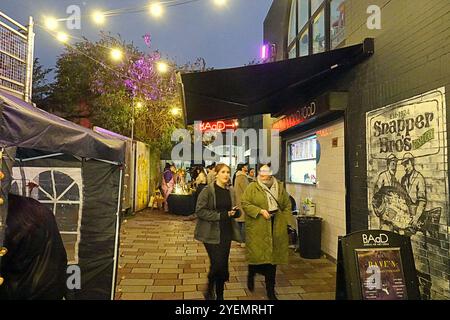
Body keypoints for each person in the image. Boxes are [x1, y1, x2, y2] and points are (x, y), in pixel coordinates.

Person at [0, 194, 68, 300]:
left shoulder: (8, 218)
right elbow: (60, 256)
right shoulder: (34, 207)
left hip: (21, 292)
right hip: (51, 288)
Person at [241, 164, 292, 300]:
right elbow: (245, 203)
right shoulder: (252, 187)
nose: (264, 174)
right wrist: (259, 211)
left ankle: (270, 290)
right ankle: (251, 273)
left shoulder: (279, 187)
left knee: (272, 260)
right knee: (257, 256)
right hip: (259, 225)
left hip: (276, 225)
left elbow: (287, 205)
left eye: (267, 171)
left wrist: (286, 221)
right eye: (261, 171)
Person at [194, 164, 242, 300]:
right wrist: (221, 215)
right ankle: (210, 289)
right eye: (223, 172)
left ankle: (219, 294)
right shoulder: (208, 190)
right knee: (217, 263)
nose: (226, 175)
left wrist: (236, 213)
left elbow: (234, 210)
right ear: (216, 174)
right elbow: (200, 211)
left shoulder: (230, 191)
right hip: (210, 233)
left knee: (222, 265)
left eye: (228, 172)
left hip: (226, 232)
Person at [233, 163, 249, 247]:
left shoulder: (237, 176)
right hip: (243, 201)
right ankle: (243, 241)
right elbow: (246, 190)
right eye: (246, 166)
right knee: (243, 222)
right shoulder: (242, 177)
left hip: (238, 201)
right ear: (243, 168)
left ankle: (239, 240)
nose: (247, 167)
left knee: (239, 222)